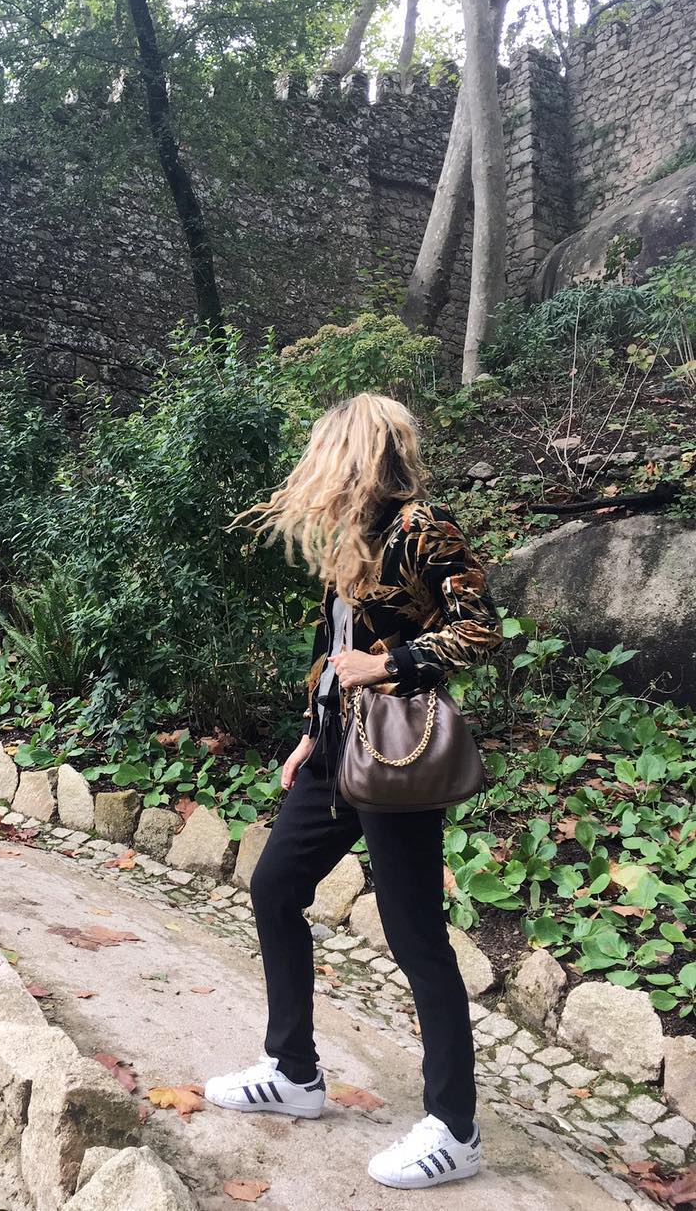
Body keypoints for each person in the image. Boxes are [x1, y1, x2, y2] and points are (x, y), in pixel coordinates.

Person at [204, 392, 503, 1190]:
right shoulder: (354, 537)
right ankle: (293, 1072)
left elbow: (481, 626)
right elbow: (333, 643)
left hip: (395, 750)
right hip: (336, 747)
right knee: (274, 886)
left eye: (327, 452)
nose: (316, 469)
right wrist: (311, 729)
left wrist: (391, 664)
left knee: (415, 935)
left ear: (358, 453)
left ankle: (456, 1130)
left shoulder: (422, 527)